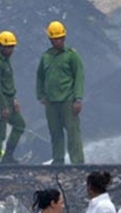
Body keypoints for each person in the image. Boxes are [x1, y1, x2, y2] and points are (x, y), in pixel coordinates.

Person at [36, 20, 85, 164]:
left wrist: (78, 99)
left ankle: (77, 162)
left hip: (67, 101)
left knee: (73, 133)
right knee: (55, 133)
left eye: (59, 38)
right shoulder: (46, 57)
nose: (57, 41)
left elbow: (79, 77)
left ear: (64, 38)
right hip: (51, 103)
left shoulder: (71, 56)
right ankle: (58, 161)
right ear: (50, 40)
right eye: (54, 39)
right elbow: (40, 77)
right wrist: (41, 95)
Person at [0, 31, 25, 165]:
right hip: (0, 102)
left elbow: (9, 83)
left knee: (20, 125)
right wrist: (3, 106)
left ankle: (8, 156)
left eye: (12, 47)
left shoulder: (6, 62)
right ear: (1, 46)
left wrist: (14, 99)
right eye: (8, 47)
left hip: (9, 99)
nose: (11, 50)